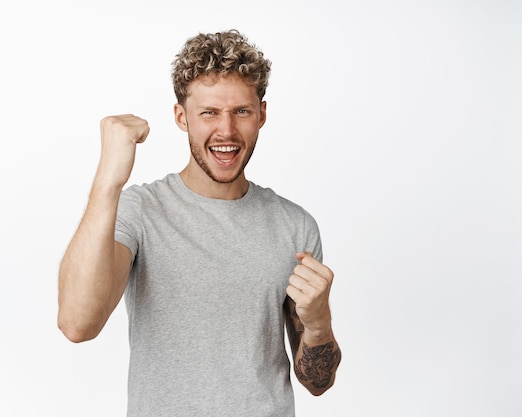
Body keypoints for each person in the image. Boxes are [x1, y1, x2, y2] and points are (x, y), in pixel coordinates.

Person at [58, 29, 341, 416]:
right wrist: (109, 181)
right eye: (209, 112)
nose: (226, 130)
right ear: (181, 117)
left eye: (241, 111)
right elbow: (77, 324)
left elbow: (317, 383)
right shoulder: (139, 210)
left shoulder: (294, 225)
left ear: (261, 114)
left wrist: (320, 324)